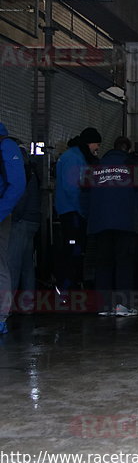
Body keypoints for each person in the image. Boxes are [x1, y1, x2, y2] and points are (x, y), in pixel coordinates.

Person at [86, 136, 138, 312]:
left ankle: (103, 306)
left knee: (103, 264)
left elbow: (87, 195)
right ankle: (122, 306)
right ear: (128, 149)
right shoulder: (132, 165)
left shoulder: (97, 166)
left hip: (100, 223)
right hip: (126, 223)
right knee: (125, 263)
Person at [54, 127, 101, 303]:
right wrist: (83, 212)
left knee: (72, 250)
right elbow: (73, 189)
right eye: (96, 144)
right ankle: (66, 289)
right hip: (72, 212)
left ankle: (68, 288)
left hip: (69, 211)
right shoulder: (75, 158)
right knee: (73, 251)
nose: (97, 148)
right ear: (89, 142)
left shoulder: (72, 155)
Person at [0, 123, 27, 334]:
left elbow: (17, 184)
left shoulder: (6, 146)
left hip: (2, 216)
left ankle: (1, 315)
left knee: (1, 266)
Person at [8, 142, 40, 315]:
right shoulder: (31, 169)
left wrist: (13, 217)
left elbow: (20, 196)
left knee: (13, 264)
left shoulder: (19, 169)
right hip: (33, 220)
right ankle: (28, 304)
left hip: (21, 221)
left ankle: (7, 307)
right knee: (27, 265)